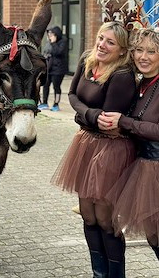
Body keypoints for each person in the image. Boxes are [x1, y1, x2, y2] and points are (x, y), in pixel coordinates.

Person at [51, 21, 137, 277]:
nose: (102, 45)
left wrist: (84, 117)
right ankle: (98, 273)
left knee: (105, 218)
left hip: (111, 149)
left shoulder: (121, 75)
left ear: (122, 50)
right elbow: (73, 96)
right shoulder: (87, 60)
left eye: (110, 42)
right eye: (101, 38)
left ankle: (115, 274)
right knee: (88, 214)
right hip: (86, 144)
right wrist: (88, 114)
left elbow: (107, 125)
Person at [98, 28, 159, 260]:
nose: (143, 56)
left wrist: (125, 122)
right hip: (144, 167)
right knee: (154, 237)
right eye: (138, 50)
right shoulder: (142, 83)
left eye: (151, 51)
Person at [38, 26, 68, 111]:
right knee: (45, 85)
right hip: (49, 68)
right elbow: (45, 52)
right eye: (49, 34)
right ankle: (44, 103)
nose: (50, 36)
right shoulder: (49, 42)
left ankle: (56, 104)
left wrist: (54, 43)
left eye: (51, 34)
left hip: (59, 69)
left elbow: (58, 52)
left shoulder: (63, 41)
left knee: (56, 87)